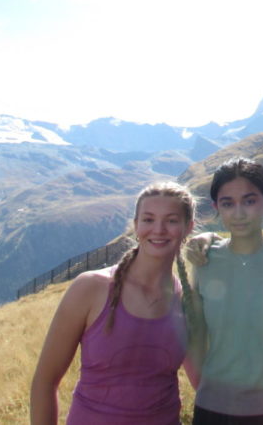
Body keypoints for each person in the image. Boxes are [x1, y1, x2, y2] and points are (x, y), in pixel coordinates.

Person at [30, 181, 200, 425]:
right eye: (148, 219)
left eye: (172, 221)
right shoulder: (90, 288)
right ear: (135, 225)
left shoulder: (187, 302)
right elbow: (45, 382)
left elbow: (203, 384)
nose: (159, 229)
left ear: (188, 228)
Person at [190, 157, 263, 425]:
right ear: (216, 208)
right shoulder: (204, 261)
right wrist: (208, 390)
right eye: (227, 203)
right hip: (216, 409)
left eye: (249, 200)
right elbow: (197, 335)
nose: (239, 213)